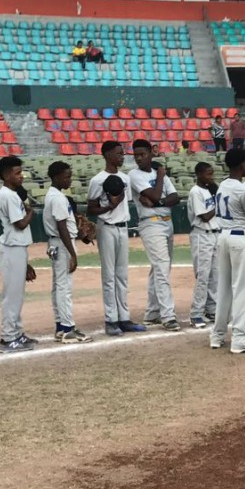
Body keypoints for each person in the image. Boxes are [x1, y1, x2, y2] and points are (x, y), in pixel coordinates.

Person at [207, 148, 245, 354]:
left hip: (223, 236)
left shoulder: (223, 185)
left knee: (224, 288)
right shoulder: (243, 190)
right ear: (241, 165)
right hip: (240, 237)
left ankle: (217, 335)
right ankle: (240, 337)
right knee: (242, 289)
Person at [88, 141, 145, 336]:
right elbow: (91, 208)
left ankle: (124, 317)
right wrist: (109, 207)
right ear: (107, 155)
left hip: (123, 227)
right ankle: (110, 319)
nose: (122, 157)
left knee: (122, 275)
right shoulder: (98, 180)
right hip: (106, 227)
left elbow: (124, 204)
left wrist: (115, 206)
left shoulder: (125, 178)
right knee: (109, 276)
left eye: (122, 153)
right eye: (118, 154)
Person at [129, 139, 180, 332]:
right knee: (161, 267)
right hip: (151, 225)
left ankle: (152, 313)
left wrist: (158, 202)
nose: (139, 158)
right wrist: (160, 177)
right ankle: (168, 316)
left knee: (159, 269)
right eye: (136, 155)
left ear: (151, 153)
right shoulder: (135, 175)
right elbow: (158, 195)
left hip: (167, 222)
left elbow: (175, 197)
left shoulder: (159, 172)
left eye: (142, 154)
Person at [43, 161, 93, 343]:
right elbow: (62, 226)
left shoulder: (54, 195)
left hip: (56, 243)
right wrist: (72, 253)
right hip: (62, 244)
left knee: (58, 285)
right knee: (64, 287)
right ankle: (67, 328)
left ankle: (60, 326)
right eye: (66, 176)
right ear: (56, 177)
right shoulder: (57, 198)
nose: (69, 179)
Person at [0, 156, 37, 353]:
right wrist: (30, 212)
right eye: (17, 172)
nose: (21, 176)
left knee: (17, 296)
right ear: (5, 174)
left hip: (18, 248)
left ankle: (17, 333)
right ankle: (7, 338)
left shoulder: (12, 194)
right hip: (11, 248)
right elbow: (20, 223)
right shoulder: (8, 195)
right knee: (11, 296)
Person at [187, 161, 221, 329]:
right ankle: (196, 314)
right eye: (208, 174)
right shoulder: (195, 192)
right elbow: (205, 216)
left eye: (212, 173)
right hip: (201, 235)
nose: (211, 177)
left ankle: (211, 309)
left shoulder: (210, 191)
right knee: (203, 276)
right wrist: (218, 203)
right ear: (199, 175)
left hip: (215, 234)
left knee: (215, 275)